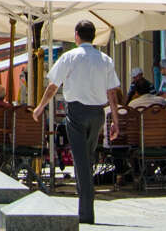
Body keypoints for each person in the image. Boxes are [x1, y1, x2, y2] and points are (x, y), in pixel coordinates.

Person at [32, 21, 122, 225]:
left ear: (76, 36)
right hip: (98, 114)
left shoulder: (69, 57)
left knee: (82, 162)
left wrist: (40, 107)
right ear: (94, 36)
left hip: (77, 113)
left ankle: (86, 213)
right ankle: (84, 204)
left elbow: (53, 86)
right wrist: (114, 121)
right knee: (86, 159)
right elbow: (112, 94)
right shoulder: (105, 60)